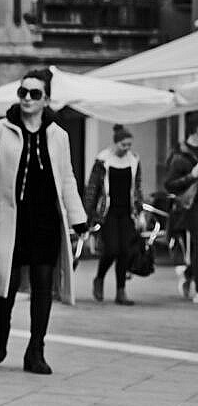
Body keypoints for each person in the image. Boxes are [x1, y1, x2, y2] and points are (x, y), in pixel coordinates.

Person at [0, 69, 87, 374]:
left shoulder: (59, 135)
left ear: (46, 99)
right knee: (4, 285)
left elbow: (67, 179)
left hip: (47, 222)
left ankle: (36, 349)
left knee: (43, 286)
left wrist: (78, 220)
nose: (27, 99)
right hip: (11, 221)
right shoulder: (0, 131)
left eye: (34, 94)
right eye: (23, 92)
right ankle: (3, 328)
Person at [84, 125, 143, 305]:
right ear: (116, 143)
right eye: (124, 145)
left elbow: (138, 187)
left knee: (125, 251)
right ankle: (99, 278)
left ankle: (121, 291)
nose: (126, 148)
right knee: (111, 249)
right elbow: (92, 188)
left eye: (129, 145)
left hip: (127, 212)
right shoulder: (103, 160)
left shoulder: (133, 160)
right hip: (107, 213)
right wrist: (88, 213)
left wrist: (139, 213)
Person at [164, 121, 198, 301]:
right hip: (191, 208)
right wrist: (191, 176)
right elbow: (169, 185)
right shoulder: (180, 156)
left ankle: (189, 273)